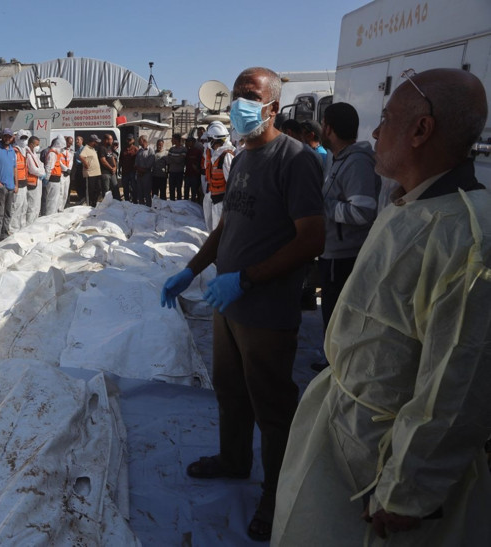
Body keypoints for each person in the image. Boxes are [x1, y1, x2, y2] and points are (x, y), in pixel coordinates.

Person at [273, 68, 491, 546]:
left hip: (388, 464)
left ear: (420, 130)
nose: (375, 132)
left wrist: (408, 491)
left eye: (387, 119)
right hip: (345, 432)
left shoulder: (469, 239)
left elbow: (458, 383)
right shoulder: (403, 203)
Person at [161, 66, 325, 541]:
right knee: (230, 392)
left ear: (273, 105)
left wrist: (247, 279)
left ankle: (277, 496)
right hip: (227, 307)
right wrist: (192, 270)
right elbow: (227, 227)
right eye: (234, 95)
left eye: (249, 95)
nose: (238, 103)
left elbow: (311, 237)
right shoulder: (244, 157)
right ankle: (234, 459)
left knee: (272, 409)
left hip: (266, 312)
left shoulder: (293, 159)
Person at [310, 102, 382, 372]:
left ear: (328, 128)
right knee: (331, 312)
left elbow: (363, 212)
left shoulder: (357, 162)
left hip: (345, 255)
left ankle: (338, 366)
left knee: (339, 313)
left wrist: (322, 206)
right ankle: (333, 359)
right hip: (332, 252)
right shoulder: (338, 158)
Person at [203, 122, 235, 232]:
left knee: (221, 232)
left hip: (222, 201)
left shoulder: (226, 156)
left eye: (210, 139)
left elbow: (231, 182)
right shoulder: (217, 155)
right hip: (215, 198)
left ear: (216, 140)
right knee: (214, 230)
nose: (209, 143)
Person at [0, 128, 17, 243]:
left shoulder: (12, 151)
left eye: (9, 137)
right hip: (0, 187)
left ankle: (4, 235)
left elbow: (14, 168)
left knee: (8, 213)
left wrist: (16, 184)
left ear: (12, 138)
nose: (7, 139)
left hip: (11, 187)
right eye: (5, 136)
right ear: (2, 136)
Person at [10, 130, 30, 232]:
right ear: (17, 139)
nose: (24, 140)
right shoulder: (15, 151)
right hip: (17, 183)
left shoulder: (25, 151)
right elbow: (13, 169)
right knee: (16, 207)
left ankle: (22, 228)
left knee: (24, 207)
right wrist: (15, 184)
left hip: (24, 183)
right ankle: (13, 229)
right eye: (22, 138)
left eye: (26, 138)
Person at [24, 136, 46, 225]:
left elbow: (41, 165)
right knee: (31, 207)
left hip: (37, 181)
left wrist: (42, 171)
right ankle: (29, 225)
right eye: (36, 145)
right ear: (31, 144)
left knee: (37, 206)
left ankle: (34, 224)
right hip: (32, 183)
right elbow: (32, 169)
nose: (38, 146)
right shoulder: (28, 154)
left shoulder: (34, 154)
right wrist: (41, 173)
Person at [43, 136, 67, 215]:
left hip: (56, 179)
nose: (62, 149)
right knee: (51, 201)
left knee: (55, 200)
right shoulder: (52, 154)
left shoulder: (56, 154)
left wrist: (66, 169)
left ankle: (52, 216)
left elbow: (59, 164)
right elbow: (49, 167)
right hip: (52, 180)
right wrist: (46, 178)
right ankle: (49, 216)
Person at [78, 134, 102, 205]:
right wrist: (86, 164)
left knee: (98, 189)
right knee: (90, 191)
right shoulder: (86, 148)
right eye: (96, 142)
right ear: (92, 141)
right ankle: (90, 204)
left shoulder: (93, 148)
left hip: (97, 173)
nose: (97, 143)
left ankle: (94, 203)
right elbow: (81, 156)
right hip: (90, 173)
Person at [134, 135, 155, 207]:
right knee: (140, 192)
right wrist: (139, 171)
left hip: (147, 175)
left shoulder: (151, 151)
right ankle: (141, 208)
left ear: (144, 141)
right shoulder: (139, 151)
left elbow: (150, 164)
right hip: (139, 174)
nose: (138, 142)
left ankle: (148, 207)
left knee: (147, 192)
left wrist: (143, 170)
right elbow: (136, 163)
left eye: (140, 140)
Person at [98, 133, 119, 201]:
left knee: (115, 189)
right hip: (105, 173)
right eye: (111, 139)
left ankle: (117, 204)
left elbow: (112, 157)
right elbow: (103, 161)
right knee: (106, 191)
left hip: (112, 172)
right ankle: (106, 205)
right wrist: (110, 168)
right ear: (106, 140)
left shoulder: (109, 148)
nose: (112, 141)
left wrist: (115, 167)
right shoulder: (102, 148)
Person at [167, 133, 187, 201]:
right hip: (172, 172)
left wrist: (173, 157)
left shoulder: (183, 149)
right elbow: (168, 160)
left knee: (178, 189)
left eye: (172, 139)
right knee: (171, 189)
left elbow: (180, 160)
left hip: (179, 172)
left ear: (176, 140)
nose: (171, 140)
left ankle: (179, 204)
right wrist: (176, 157)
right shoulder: (171, 149)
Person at [120, 135, 138, 202]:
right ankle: (127, 201)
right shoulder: (123, 149)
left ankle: (135, 201)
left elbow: (138, 160)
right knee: (125, 188)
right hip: (125, 172)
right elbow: (121, 159)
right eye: (128, 139)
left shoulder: (136, 149)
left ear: (133, 140)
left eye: (130, 139)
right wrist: (120, 169)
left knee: (133, 188)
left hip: (133, 172)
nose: (129, 141)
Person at [184, 136, 202, 202]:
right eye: (187, 142)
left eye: (189, 142)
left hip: (194, 175)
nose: (187, 143)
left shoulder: (198, 151)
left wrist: (197, 169)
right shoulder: (187, 151)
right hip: (187, 174)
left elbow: (200, 162)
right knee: (186, 192)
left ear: (193, 142)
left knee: (193, 193)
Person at [60, 136, 74, 211]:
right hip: (61, 173)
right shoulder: (60, 150)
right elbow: (59, 161)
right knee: (61, 192)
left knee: (65, 192)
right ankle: (58, 208)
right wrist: (65, 169)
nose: (69, 145)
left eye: (71, 143)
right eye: (69, 143)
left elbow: (71, 161)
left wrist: (69, 169)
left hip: (67, 174)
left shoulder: (70, 151)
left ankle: (62, 207)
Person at [71, 135, 86, 204]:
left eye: (78, 140)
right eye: (76, 140)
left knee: (82, 184)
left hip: (82, 168)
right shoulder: (77, 150)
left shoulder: (84, 149)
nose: (76, 141)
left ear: (82, 141)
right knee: (78, 184)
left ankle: (83, 199)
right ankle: (80, 198)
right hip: (77, 168)